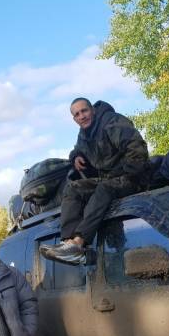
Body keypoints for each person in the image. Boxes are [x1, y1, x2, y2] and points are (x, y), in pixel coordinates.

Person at [40, 97, 150, 265]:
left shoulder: (111, 121)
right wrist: (75, 157)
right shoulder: (83, 134)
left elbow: (137, 149)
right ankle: (69, 244)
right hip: (108, 181)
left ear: (93, 110)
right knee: (73, 188)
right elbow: (77, 149)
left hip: (133, 178)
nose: (82, 116)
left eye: (84, 111)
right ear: (74, 119)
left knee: (104, 188)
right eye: (77, 114)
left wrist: (123, 173)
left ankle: (79, 242)